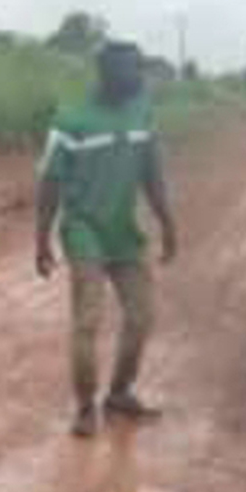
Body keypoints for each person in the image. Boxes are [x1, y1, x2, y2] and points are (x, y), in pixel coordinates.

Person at [35, 41, 177, 438]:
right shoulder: (70, 120)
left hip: (124, 232)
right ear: (107, 74)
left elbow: (153, 174)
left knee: (141, 317)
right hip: (83, 232)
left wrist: (167, 223)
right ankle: (84, 408)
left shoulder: (142, 111)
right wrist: (42, 240)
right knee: (88, 323)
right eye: (131, 72)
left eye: (139, 70)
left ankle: (119, 393)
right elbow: (49, 183)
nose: (138, 78)